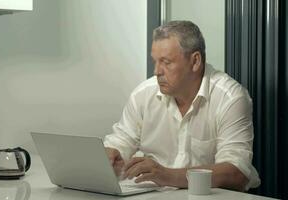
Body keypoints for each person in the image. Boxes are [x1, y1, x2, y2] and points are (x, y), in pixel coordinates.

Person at [104, 20, 260, 192]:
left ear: (195, 61)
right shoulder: (143, 94)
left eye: (166, 62)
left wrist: (166, 175)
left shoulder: (230, 98)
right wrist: (111, 155)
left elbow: (236, 173)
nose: (156, 71)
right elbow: (120, 141)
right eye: (155, 61)